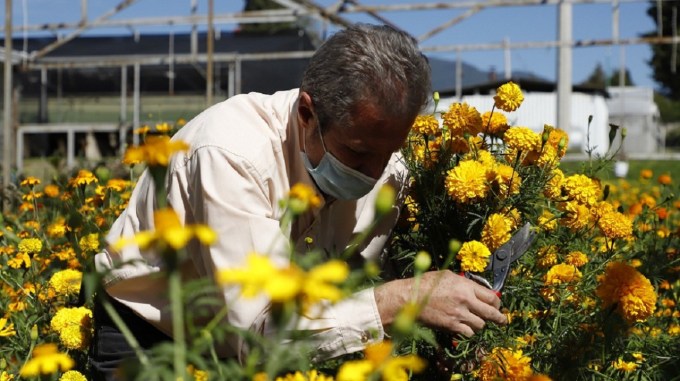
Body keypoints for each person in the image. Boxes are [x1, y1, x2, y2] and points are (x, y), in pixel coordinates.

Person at [90, 23, 507, 379]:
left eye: (389, 152)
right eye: (359, 153)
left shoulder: (388, 164)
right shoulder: (232, 155)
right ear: (307, 114)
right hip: (151, 337)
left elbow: (356, 284)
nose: (376, 171)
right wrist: (400, 300)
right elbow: (258, 333)